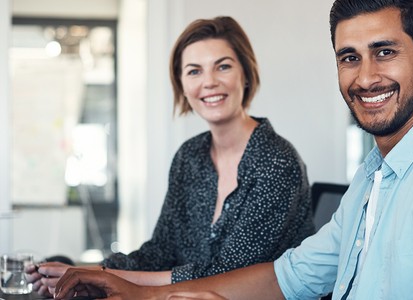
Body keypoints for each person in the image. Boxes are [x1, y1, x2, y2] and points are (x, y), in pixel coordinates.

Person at [52, 0, 413, 299]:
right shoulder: (377, 175)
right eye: (349, 58)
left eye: (385, 52)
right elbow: (287, 277)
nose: (366, 76)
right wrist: (133, 291)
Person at [28, 16, 314, 297]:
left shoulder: (278, 162)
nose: (209, 82)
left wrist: (104, 277)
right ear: (182, 85)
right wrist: (85, 272)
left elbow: (229, 275)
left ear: (246, 74)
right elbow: (161, 250)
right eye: (194, 71)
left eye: (223, 67)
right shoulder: (189, 157)